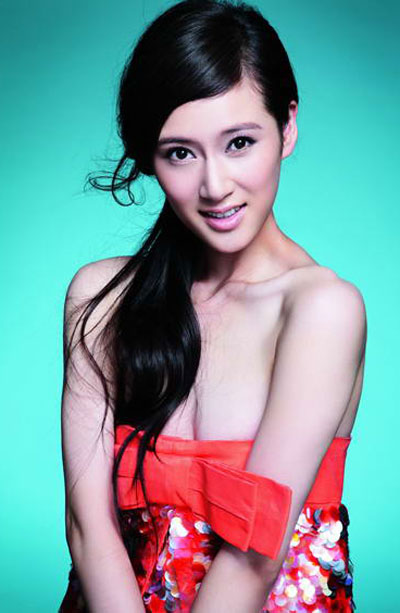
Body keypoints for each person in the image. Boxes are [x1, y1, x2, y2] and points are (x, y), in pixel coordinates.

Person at [58, 0, 367, 611]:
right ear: (149, 157)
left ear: (288, 127)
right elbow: (89, 531)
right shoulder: (101, 299)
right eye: (180, 152)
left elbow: (254, 558)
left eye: (240, 143)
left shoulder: (321, 310)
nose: (215, 186)